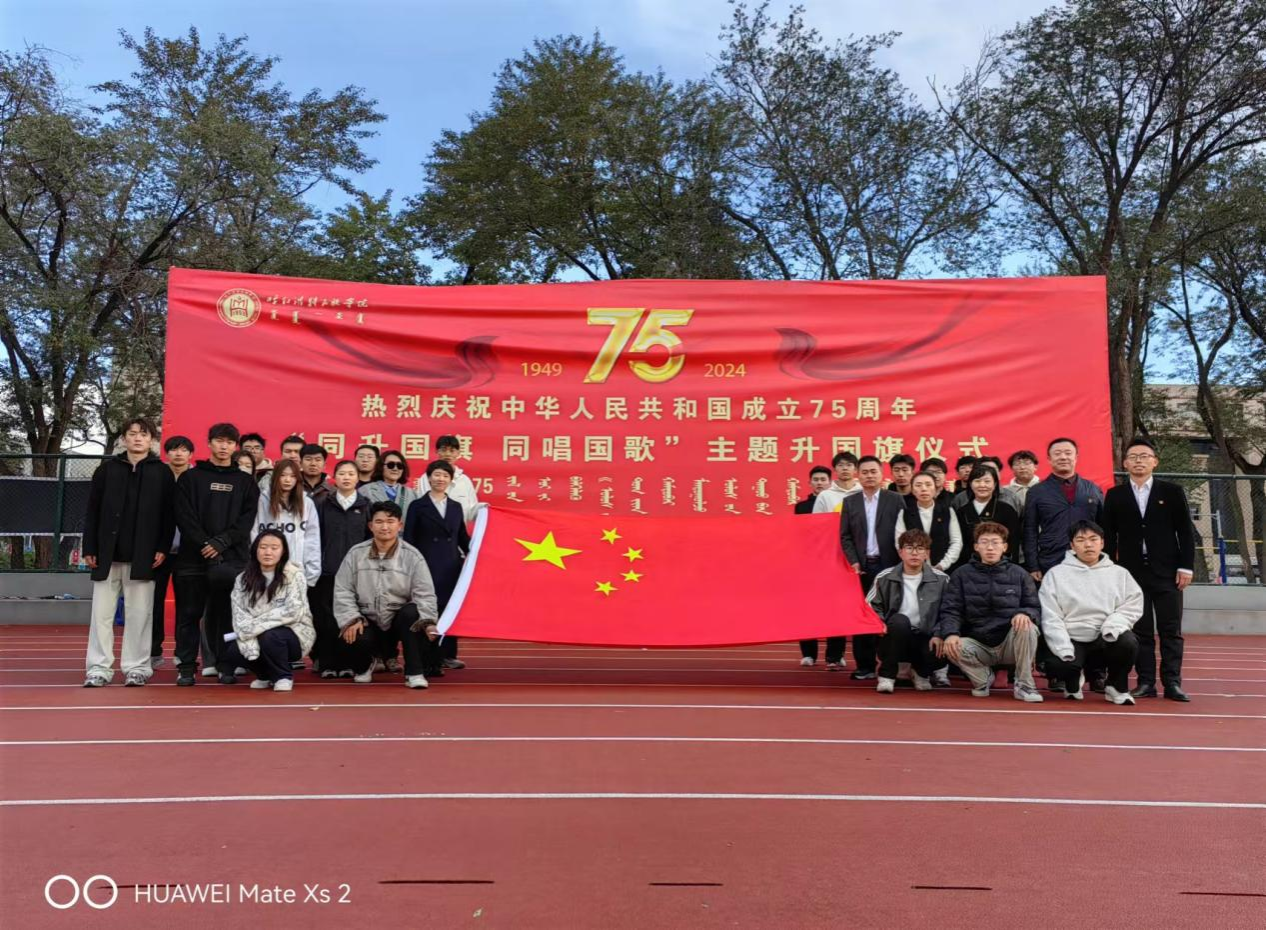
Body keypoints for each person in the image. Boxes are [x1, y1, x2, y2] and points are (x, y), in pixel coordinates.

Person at [81, 418, 176, 687]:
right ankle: (98, 668)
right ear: (123, 438)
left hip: (144, 556)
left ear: (152, 440)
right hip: (106, 554)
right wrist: (90, 547)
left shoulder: (162, 472)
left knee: (140, 614)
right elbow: (92, 510)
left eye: (143, 434)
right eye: (132, 434)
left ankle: (137, 667)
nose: (137, 438)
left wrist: (162, 547)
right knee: (101, 615)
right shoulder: (107, 470)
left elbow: (168, 515)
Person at [1102, 437, 1196, 702]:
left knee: (1170, 630)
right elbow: (1109, 536)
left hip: (1167, 572)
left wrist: (1186, 567)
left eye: (1144, 456)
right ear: (1125, 463)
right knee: (1141, 631)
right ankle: (1145, 682)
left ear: (1155, 461)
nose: (1139, 461)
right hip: (1131, 573)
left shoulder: (1172, 491)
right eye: (1133, 457)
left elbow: (1185, 532)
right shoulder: (1115, 495)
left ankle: (1172, 682)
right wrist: (1110, 570)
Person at [172, 422, 259, 686]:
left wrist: (222, 542)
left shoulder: (246, 482)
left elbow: (246, 521)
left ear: (235, 447)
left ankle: (226, 665)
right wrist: (206, 543)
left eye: (229, 442)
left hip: (232, 560)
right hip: (192, 560)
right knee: (189, 614)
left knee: (227, 616)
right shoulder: (190, 478)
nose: (224, 447)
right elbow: (184, 517)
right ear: (209, 443)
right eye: (219, 441)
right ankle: (186, 666)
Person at [931, 521, 1045, 702]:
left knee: (1027, 626)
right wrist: (950, 633)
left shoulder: (1019, 574)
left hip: (1011, 643)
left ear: (1005, 547)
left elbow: (1034, 606)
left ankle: (1024, 685)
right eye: (984, 542)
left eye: (995, 542)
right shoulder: (961, 574)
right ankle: (983, 678)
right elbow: (951, 610)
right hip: (978, 644)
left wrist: (1025, 613)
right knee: (950, 643)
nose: (990, 548)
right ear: (976, 546)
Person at [334, 501, 440, 689]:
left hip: (398, 620)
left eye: (390, 522)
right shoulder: (356, 554)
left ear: (400, 525)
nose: (384, 527)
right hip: (367, 620)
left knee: (413, 614)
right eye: (379, 522)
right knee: (352, 632)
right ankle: (365, 665)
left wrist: (429, 621)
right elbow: (343, 590)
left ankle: (414, 673)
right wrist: (352, 618)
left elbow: (425, 594)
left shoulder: (413, 556)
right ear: (370, 526)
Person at [1040, 520, 1143, 704]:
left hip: (1106, 636)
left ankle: (1116, 686)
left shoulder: (1119, 573)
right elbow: (1050, 616)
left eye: (1093, 539)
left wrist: (1112, 626)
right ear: (1072, 546)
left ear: (1102, 543)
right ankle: (1072, 680)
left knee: (1128, 643)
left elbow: (1132, 605)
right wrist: (1064, 647)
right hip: (1071, 637)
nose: (1088, 545)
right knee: (1058, 665)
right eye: (1081, 540)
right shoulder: (1056, 574)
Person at [220, 530, 316, 692]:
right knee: (235, 650)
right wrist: (249, 641)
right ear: (255, 550)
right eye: (263, 547)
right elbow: (239, 614)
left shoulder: (294, 575)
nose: (268, 552)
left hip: (294, 633)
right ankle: (264, 675)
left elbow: (293, 611)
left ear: (283, 551)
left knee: (270, 636)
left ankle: (283, 676)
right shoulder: (242, 579)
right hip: (254, 632)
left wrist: (255, 628)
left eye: (274, 548)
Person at [838, 456, 904, 680]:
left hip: (890, 566)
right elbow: (845, 536)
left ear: (882, 474)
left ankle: (889, 665)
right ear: (858, 474)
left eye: (873, 471)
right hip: (862, 568)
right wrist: (853, 561)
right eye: (864, 472)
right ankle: (864, 666)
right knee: (862, 616)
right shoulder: (850, 502)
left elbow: (903, 533)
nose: (869, 476)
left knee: (890, 616)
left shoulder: (895, 500)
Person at [404, 460, 472, 672]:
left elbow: (462, 537)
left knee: (448, 609)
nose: (440, 479)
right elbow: (409, 539)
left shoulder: (455, 507)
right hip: (425, 566)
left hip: (451, 566)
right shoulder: (417, 506)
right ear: (428, 478)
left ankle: (448, 655)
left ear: (450, 480)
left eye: (445, 476)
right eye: (436, 475)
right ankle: (428, 658)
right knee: (427, 610)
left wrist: (479, 551)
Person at [866, 529, 950, 693]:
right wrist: (879, 624)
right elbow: (870, 606)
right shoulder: (884, 576)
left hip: (926, 637)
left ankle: (921, 673)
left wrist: (939, 633)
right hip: (894, 636)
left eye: (920, 548)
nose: (915, 553)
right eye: (909, 548)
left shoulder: (942, 579)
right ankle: (887, 675)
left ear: (927, 553)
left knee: (937, 642)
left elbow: (950, 610)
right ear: (900, 552)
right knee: (899, 621)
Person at [312, 460, 371, 678]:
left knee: (350, 618)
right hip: (328, 571)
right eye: (342, 473)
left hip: (357, 574)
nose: (346, 478)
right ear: (334, 478)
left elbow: (370, 539)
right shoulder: (322, 504)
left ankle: (348, 663)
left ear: (357, 478)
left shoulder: (366, 505)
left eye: (351, 474)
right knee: (327, 620)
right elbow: (315, 537)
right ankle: (327, 664)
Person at [1024, 437, 1104, 581]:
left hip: (1089, 559)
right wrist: (1033, 565)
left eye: (1068, 453)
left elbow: (1103, 526)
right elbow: (1030, 530)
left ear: (1076, 457)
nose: (1063, 457)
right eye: (1057, 453)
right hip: (1051, 559)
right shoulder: (1036, 492)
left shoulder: (1093, 489)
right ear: (1049, 459)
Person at [150, 434, 194, 670]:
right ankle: (153, 651)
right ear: (166, 453)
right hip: (159, 551)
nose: (178, 454)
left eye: (183, 450)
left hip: (188, 551)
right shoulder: (157, 477)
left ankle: (182, 653)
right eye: (174, 449)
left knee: (187, 605)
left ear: (191, 454)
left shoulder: (197, 479)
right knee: (154, 602)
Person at [253, 458, 321, 588]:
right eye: (283, 475)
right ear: (276, 477)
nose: (287, 480)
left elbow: (312, 540)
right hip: (266, 571)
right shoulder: (262, 501)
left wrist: (311, 574)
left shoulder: (307, 503)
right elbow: (255, 534)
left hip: (297, 572)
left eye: (292, 476)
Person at [794, 466, 835, 666]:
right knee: (807, 608)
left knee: (835, 608)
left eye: (823, 479)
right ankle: (808, 654)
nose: (819, 483)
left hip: (834, 560)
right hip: (808, 562)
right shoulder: (801, 507)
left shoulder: (838, 502)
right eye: (816, 479)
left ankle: (835, 655)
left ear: (830, 482)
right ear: (810, 483)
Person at [953, 464, 1022, 569]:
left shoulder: (1007, 510)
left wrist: (1010, 567)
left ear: (995, 484)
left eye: (987, 481)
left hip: (1001, 568)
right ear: (970, 484)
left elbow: (1014, 543)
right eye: (977, 481)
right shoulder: (962, 512)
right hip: (969, 567)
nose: (982, 485)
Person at [894, 472, 962, 573]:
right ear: (912, 490)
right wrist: (914, 563)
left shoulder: (947, 511)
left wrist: (942, 565)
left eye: (928, 484)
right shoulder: (905, 513)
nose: (924, 489)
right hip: (913, 569)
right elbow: (899, 542)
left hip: (943, 569)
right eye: (918, 485)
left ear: (935, 489)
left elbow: (956, 541)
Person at [362, 449, 419, 523]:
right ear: (381, 467)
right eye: (390, 465)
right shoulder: (365, 491)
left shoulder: (412, 494)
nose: (395, 468)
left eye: (399, 466)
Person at [435, 434, 481, 522]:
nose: (448, 454)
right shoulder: (426, 478)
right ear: (437, 452)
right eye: (444, 450)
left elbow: (471, 512)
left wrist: (485, 509)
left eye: (452, 450)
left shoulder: (465, 481)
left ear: (458, 453)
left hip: (459, 529)